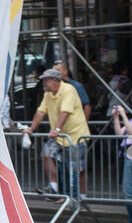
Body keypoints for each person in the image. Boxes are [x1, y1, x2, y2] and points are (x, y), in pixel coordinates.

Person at [25, 68, 90, 201]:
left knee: (77, 168)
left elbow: (65, 111)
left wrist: (57, 129)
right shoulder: (48, 94)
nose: (44, 83)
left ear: (55, 81)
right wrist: (31, 129)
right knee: (47, 154)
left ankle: (80, 196)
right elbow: (41, 112)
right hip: (60, 136)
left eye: (46, 80)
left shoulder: (68, 90)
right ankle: (54, 187)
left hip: (75, 135)